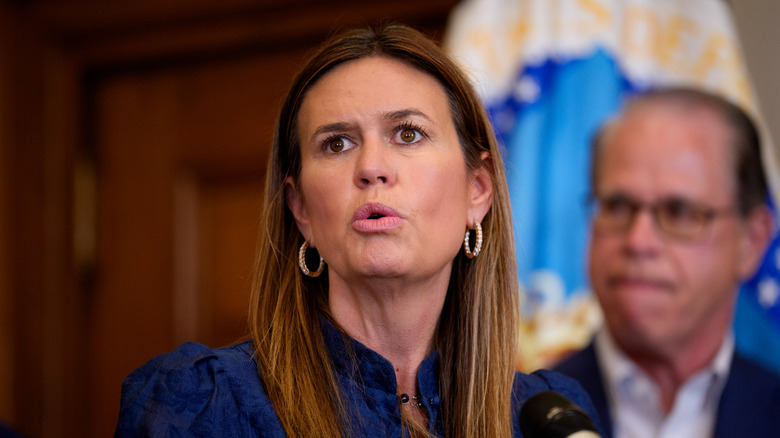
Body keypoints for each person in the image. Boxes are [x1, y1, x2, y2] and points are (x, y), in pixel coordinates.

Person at [114, 24, 601, 437]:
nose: (371, 167)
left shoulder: (547, 419)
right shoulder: (203, 404)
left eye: (408, 133)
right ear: (301, 209)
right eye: (337, 144)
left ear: (477, 190)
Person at [554, 87, 780, 438]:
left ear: (751, 241)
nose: (638, 241)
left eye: (679, 212)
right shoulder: (512, 416)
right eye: (617, 206)